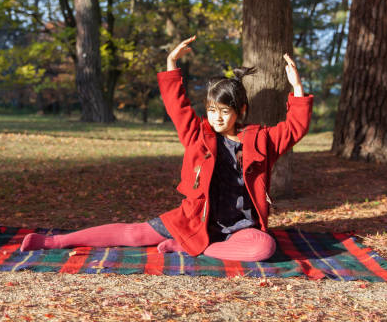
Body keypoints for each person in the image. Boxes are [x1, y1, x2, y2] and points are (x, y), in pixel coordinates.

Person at [20, 35, 313, 261]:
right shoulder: (198, 135)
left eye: (225, 110)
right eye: (212, 109)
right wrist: (172, 64)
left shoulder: (259, 141)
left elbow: (294, 128)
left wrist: (297, 88)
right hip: (194, 221)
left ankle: (194, 249)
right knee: (134, 233)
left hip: (241, 230)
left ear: (241, 110)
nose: (217, 117)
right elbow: (178, 108)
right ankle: (54, 241)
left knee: (264, 248)